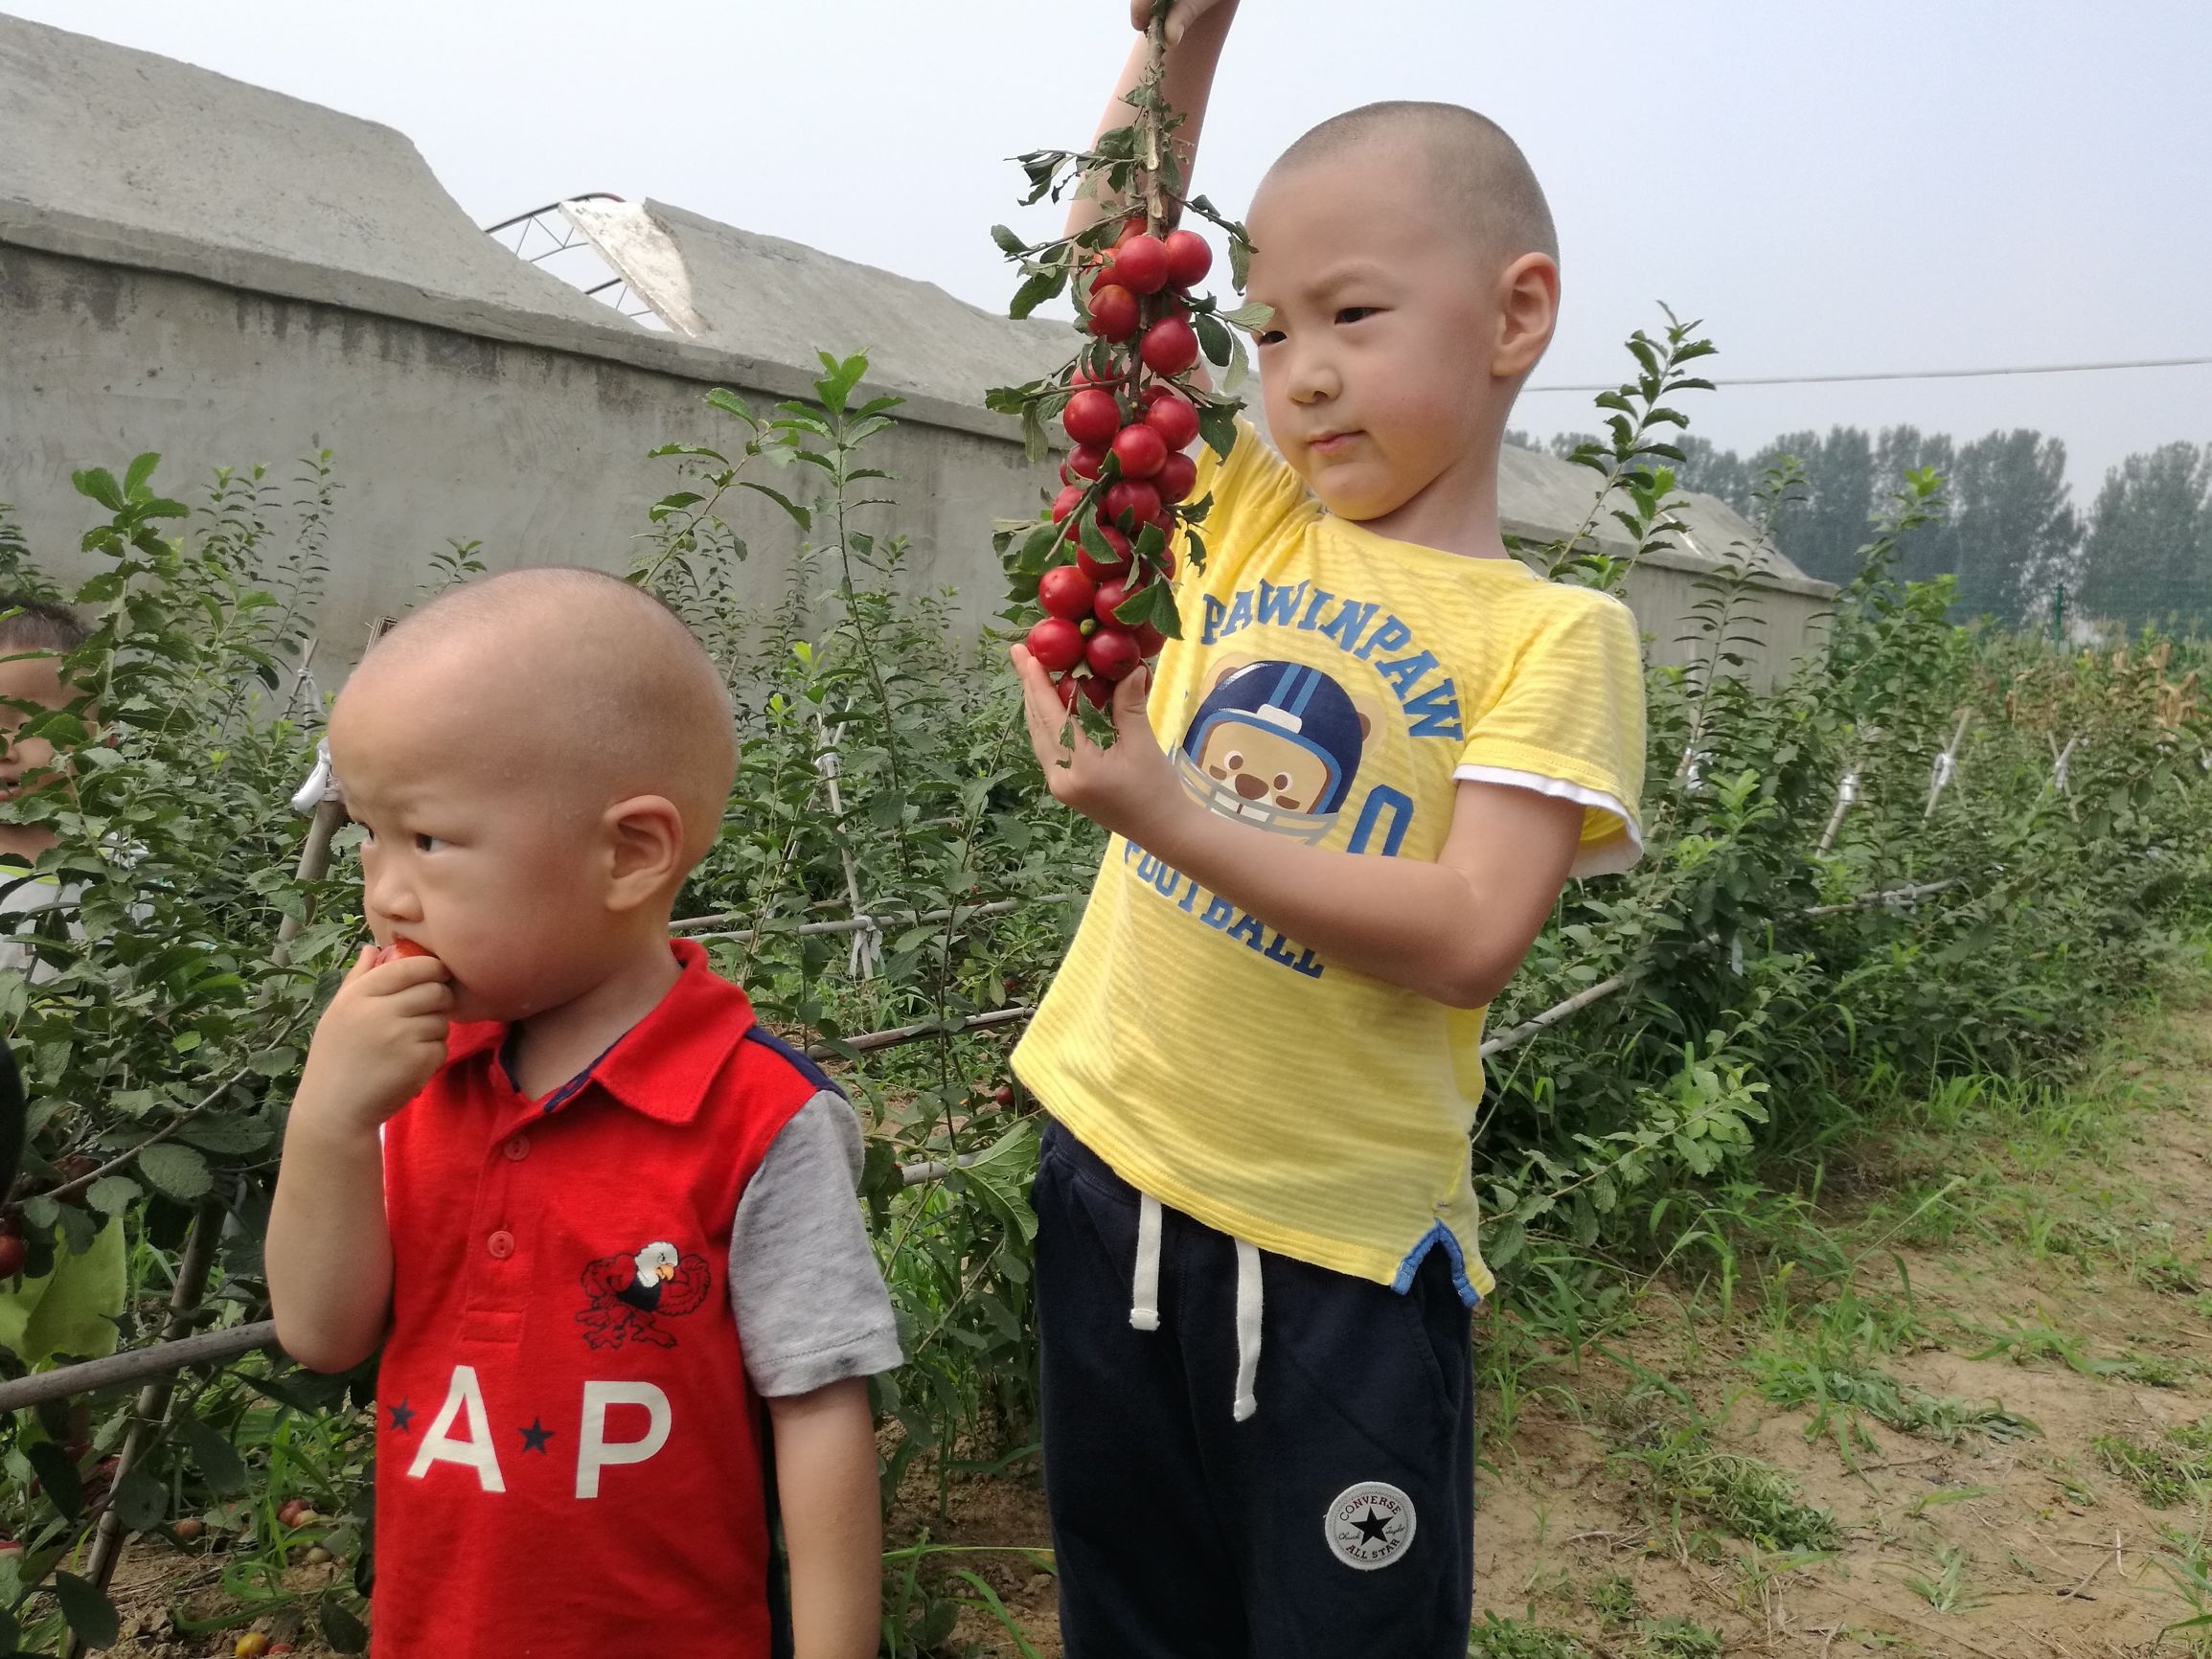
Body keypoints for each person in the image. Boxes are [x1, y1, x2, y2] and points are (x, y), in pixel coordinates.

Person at [1007, 4, 1649, 1653]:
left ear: (1514, 316)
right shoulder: (1243, 506)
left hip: (1338, 1265)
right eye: (1268, 325)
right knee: (1129, 1615)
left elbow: (1465, 931)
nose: (1294, 372)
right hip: (1109, 1175)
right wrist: (1178, 38)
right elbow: (1118, 283)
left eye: (1351, 316)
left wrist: (1154, 805)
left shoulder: (1549, 636)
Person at [267, 568, 896, 1659]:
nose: (383, 890)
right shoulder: (407, 1078)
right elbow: (321, 1335)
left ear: (630, 853)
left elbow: (817, 1406)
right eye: (368, 833)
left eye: (427, 841)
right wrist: (325, 1119)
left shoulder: (755, 1115)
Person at [0, 596, 125, 1369]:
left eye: (26, 721)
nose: (4, 747)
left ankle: (82, 1475)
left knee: (79, 1347)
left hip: (86, 1184)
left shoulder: (123, 881)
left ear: (95, 740)